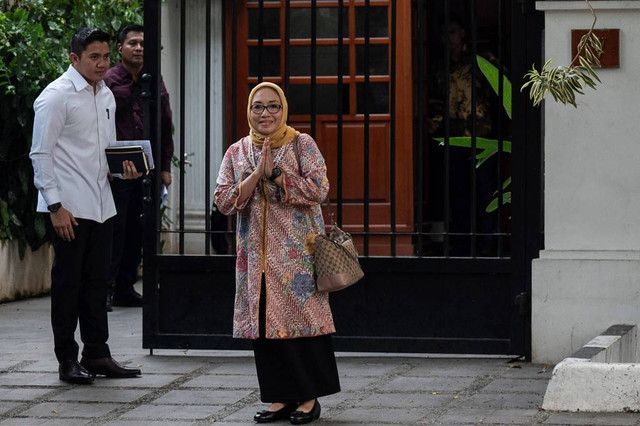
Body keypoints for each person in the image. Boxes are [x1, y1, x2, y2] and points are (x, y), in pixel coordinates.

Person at [214, 82, 340, 424]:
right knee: (266, 328)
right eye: (258, 107)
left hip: (297, 256)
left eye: (272, 106)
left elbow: (320, 189)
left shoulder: (302, 144)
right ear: (249, 111)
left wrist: (277, 174)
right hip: (255, 259)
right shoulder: (237, 151)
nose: (265, 113)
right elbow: (223, 201)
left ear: (283, 109)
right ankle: (279, 397)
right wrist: (255, 175)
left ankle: (308, 399)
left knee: (303, 325)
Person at [30, 27, 142, 384]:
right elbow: (41, 154)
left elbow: (105, 149)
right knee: (67, 285)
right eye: (94, 57)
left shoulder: (105, 93)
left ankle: (97, 353)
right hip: (70, 207)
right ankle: (67, 360)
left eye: (106, 56)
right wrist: (55, 206)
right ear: (74, 59)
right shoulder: (55, 97)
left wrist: (122, 169)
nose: (102, 63)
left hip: (102, 202)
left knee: (97, 283)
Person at [103, 24, 175, 310]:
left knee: (139, 230)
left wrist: (166, 167)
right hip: (115, 170)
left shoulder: (154, 81)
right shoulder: (108, 81)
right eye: (132, 43)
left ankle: (125, 287)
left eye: (143, 43)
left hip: (147, 170)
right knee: (114, 230)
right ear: (120, 48)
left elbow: (164, 126)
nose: (138, 48)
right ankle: (106, 288)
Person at [427, 14, 499, 256]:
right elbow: (437, 99)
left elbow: (502, 88)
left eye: (453, 32)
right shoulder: (441, 65)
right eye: (445, 34)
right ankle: (461, 243)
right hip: (453, 136)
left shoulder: (482, 60)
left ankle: (491, 243)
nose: (449, 39)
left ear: (463, 34)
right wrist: (435, 123)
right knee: (457, 191)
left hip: (481, 135)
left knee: (485, 191)